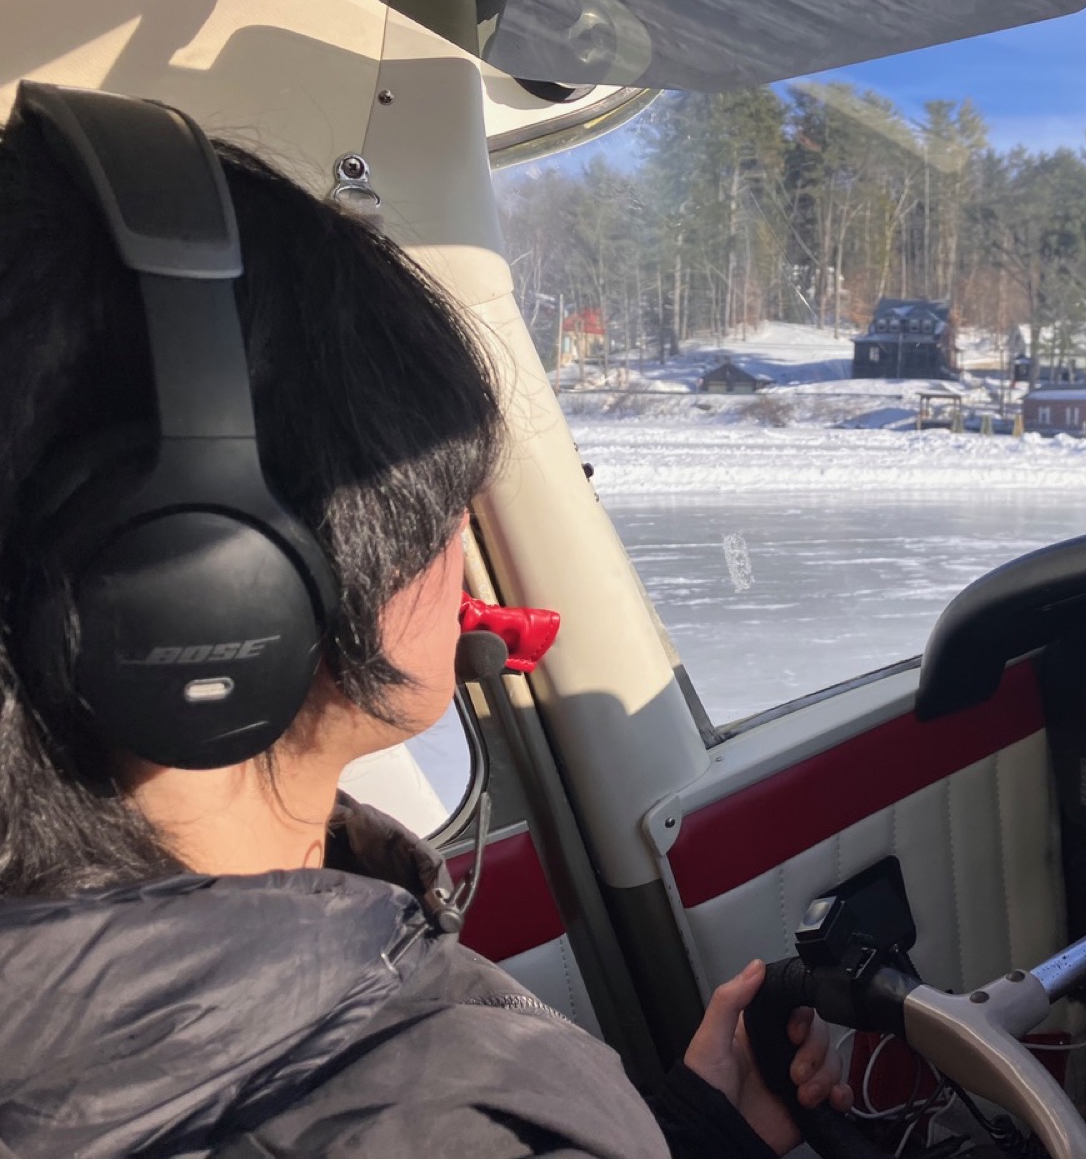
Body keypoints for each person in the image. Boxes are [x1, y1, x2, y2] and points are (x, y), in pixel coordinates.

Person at [0, 94, 846, 1157]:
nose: (465, 563)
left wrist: (702, 1135)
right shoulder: (434, 1118)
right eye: (440, 509)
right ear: (217, 599)